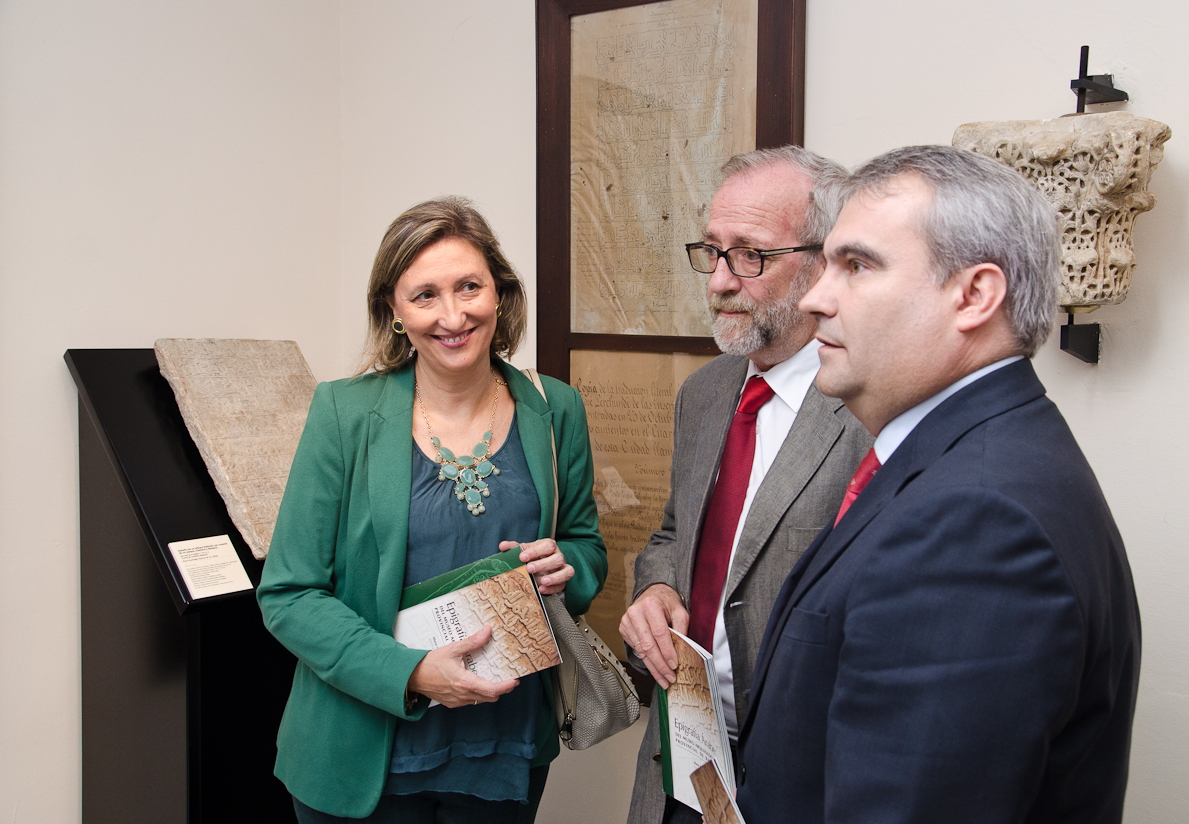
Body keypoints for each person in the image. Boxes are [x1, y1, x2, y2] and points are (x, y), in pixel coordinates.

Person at [735, 145, 1142, 823]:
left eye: (857, 266)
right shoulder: (972, 455)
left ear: (974, 295)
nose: (815, 298)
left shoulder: (976, 521)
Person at [257, 196, 607, 822]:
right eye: (425, 295)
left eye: (469, 287)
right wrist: (413, 673)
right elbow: (289, 595)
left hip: (504, 747)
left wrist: (568, 569)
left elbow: (584, 547)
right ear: (392, 310)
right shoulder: (342, 414)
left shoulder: (556, 409)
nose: (453, 316)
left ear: (499, 294)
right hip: (362, 752)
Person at [619, 146, 873, 824]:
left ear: (823, 263)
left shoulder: (869, 416)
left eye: (751, 256)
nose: (719, 282)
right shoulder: (704, 395)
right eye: (712, 252)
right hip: (680, 760)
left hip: (797, 782)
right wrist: (654, 587)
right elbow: (675, 534)